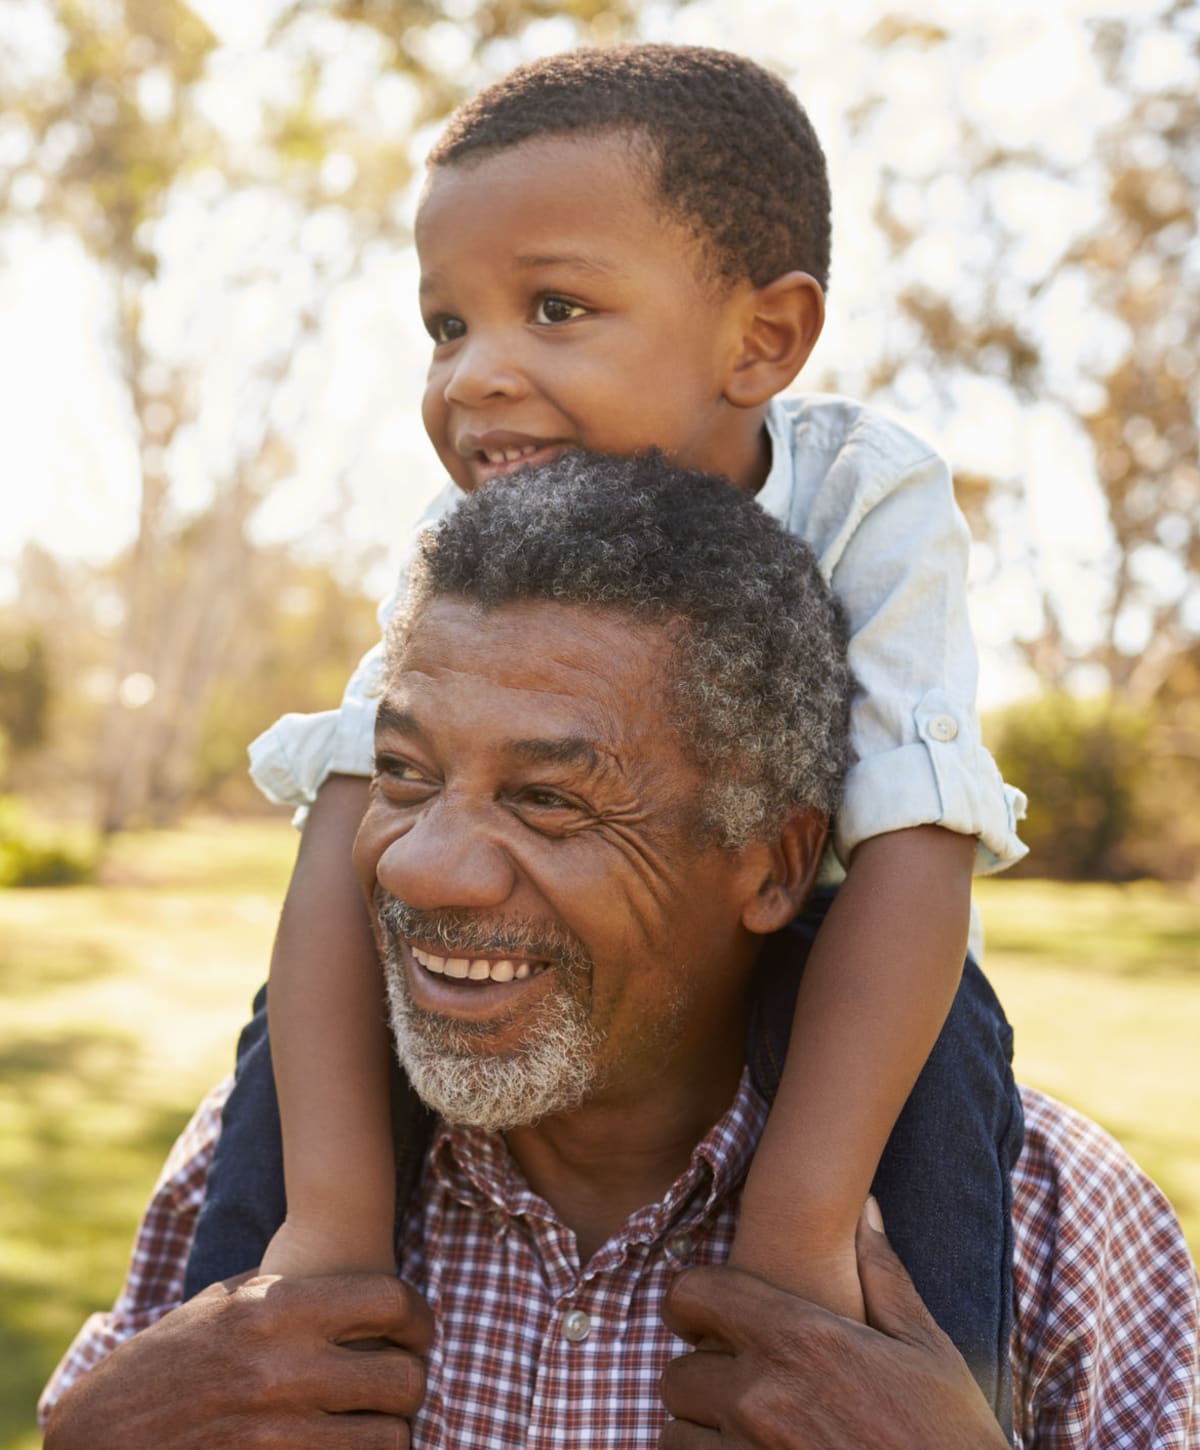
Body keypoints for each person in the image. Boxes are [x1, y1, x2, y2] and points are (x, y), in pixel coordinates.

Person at [191, 43, 1029, 1427]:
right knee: (301, 1014)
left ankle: (911, 1389)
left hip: (840, 958)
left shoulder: (866, 496)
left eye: (555, 307)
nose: (476, 377)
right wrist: (329, 1221)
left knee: (949, 1071)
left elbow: (917, 843)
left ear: (760, 339)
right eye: (447, 326)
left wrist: (800, 1225)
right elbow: (350, 814)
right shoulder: (463, 542)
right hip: (571, 986)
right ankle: (238, 1376)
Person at [40, 458, 1199, 1448]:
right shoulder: (257, 1166)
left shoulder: (1050, 1221)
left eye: (548, 799)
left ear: (773, 864)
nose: (420, 867)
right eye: (401, 774)